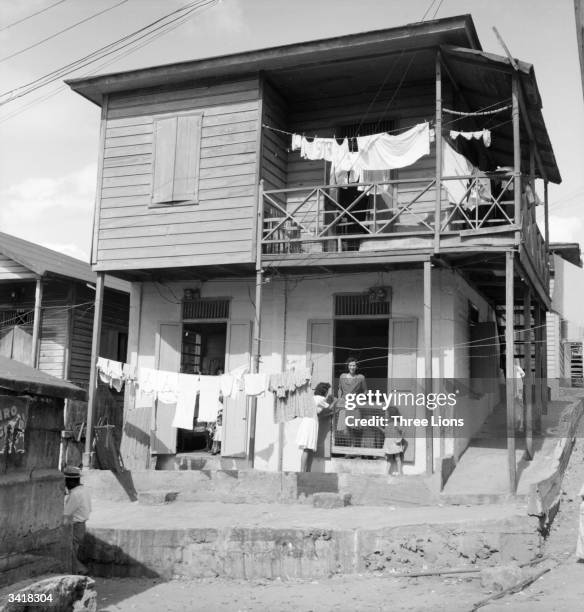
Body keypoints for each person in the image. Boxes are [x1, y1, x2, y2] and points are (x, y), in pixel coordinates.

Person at [297, 382, 335, 472]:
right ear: (324, 391)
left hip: (307, 423)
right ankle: (303, 471)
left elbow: (319, 412)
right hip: (311, 424)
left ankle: (305, 471)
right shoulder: (321, 399)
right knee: (307, 449)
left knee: (308, 449)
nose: (327, 393)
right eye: (327, 391)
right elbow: (330, 408)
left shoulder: (313, 398)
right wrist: (334, 401)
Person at [63, 465, 92, 575]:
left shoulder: (75, 494)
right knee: (72, 552)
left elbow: (66, 514)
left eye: (65, 481)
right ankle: (78, 571)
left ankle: (80, 571)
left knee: (70, 552)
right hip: (81, 525)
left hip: (76, 526)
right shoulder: (84, 490)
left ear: (70, 481)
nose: (65, 484)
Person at [336, 357, 368, 449]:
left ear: (356, 366)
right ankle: (349, 447)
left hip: (355, 404)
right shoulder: (342, 376)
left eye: (354, 365)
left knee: (353, 428)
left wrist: (360, 399)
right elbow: (339, 389)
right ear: (348, 366)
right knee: (344, 429)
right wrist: (339, 399)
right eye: (350, 365)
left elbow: (365, 391)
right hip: (344, 404)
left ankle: (352, 448)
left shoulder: (361, 378)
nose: (352, 367)